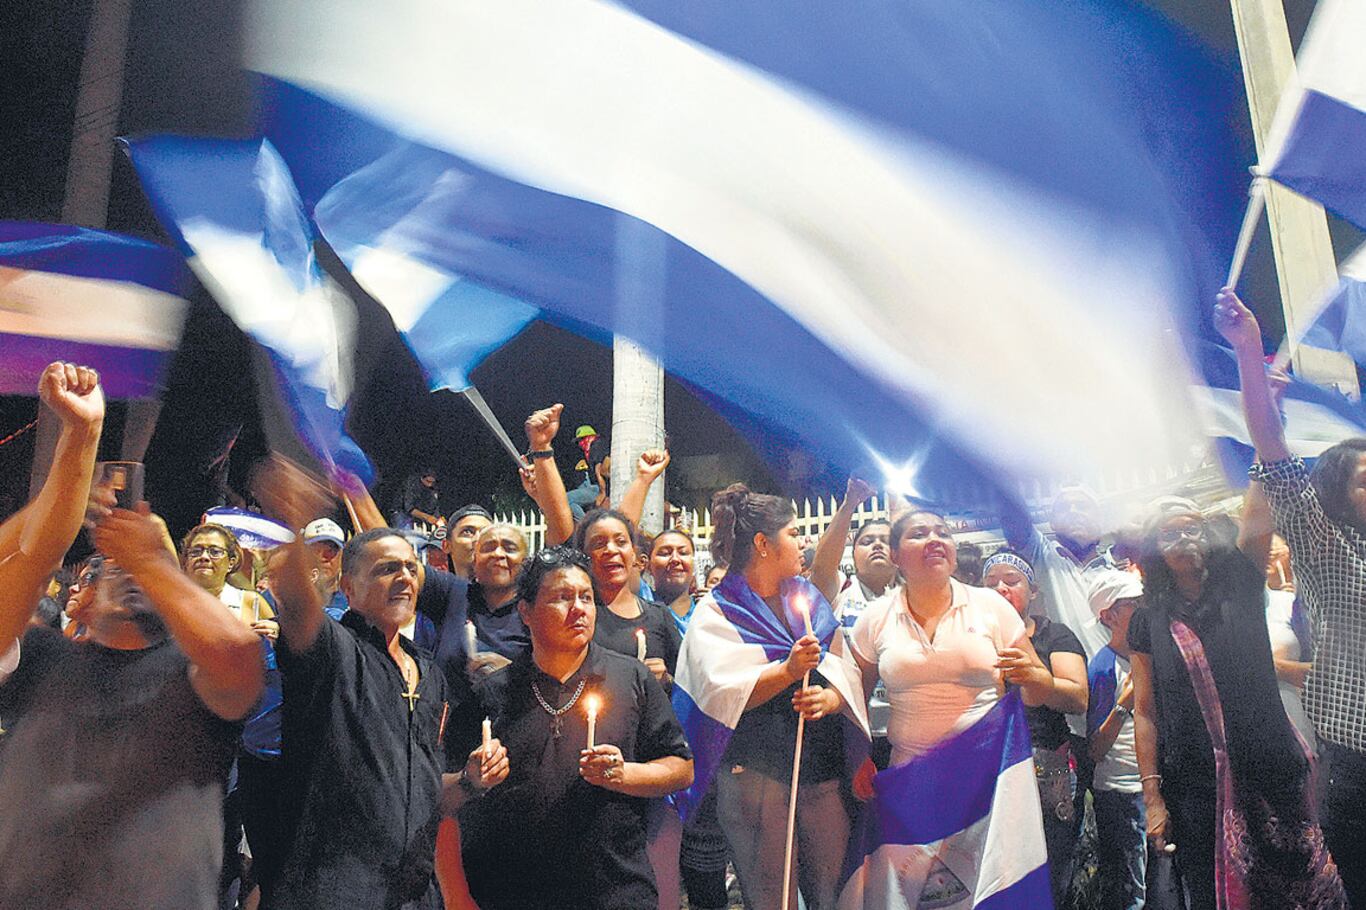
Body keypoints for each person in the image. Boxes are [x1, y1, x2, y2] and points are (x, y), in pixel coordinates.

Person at [0, 361, 265, 910]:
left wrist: (152, 562)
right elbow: (27, 562)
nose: (124, 569)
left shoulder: (197, 679)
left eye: (152, 561)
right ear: (84, 593)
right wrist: (80, 441)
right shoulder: (43, 658)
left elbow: (239, 653)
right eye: (109, 564)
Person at [252, 459, 507, 910]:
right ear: (348, 589)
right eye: (387, 569)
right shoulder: (332, 651)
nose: (405, 578)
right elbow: (294, 602)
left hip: (414, 894)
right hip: (331, 894)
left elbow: (427, 795)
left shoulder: (427, 674)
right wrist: (292, 522)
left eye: (410, 568)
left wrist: (468, 781)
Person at [1216, 287, 1366, 905]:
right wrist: (1250, 354)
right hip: (1357, 769)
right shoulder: (1331, 554)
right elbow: (1277, 459)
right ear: (1338, 495)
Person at [1128, 499, 1345, 909]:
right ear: (1154, 549)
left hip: (1270, 771)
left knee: (1300, 889)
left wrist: (1258, 448)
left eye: (1193, 528)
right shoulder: (1147, 620)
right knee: (1215, 894)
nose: (1184, 540)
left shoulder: (1240, 588)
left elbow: (1258, 518)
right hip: (1196, 785)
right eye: (1169, 534)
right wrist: (1153, 798)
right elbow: (1145, 711)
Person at [459, 546, 694, 909]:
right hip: (514, 892)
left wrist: (623, 774)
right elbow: (447, 790)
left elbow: (681, 768)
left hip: (614, 887)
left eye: (586, 597)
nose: (579, 608)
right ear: (526, 612)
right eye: (562, 597)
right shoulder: (494, 693)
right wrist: (472, 778)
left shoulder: (631, 678)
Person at [846, 508, 1053, 905]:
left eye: (942, 532)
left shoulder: (991, 608)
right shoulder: (875, 618)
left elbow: (1037, 692)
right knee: (919, 894)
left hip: (985, 780)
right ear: (895, 555)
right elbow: (854, 694)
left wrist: (1032, 675)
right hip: (911, 781)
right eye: (918, 534)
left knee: (987, 885)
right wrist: (857, 756)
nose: (934, 539)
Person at [681, 483, 868, 910]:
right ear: (763, 544)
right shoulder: (717, 611)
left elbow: (843, 670)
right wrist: (786, 671)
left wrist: (832, 701)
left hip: (820, 771)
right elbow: (718, 695)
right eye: (793, 533)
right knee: (771, 898)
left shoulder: (806, 599)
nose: (802, 542)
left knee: (834, 895)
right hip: (754, 775)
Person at [981, 548, 1087, 905]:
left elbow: (1077, 698)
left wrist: (1037, 680)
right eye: (990, 583)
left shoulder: (1054, 635)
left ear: (1033, 590)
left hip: (1045, 768)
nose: (1000, 589)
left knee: (1050, 867)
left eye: (1011, 581)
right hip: (987, 769)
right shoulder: (969, 638)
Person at [646, 529, 729, 910]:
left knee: (705, 878)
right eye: (664, 552)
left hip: (706, 763)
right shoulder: (636, 611)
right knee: (658, 878)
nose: (675, 558)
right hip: (654, 764)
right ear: (648, 563)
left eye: (683, 551)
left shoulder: (716, 616)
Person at [810, 477, 896, 767]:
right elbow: (821, 567)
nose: (877, 547)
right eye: (867, 541)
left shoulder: (910, 596)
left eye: (886, 542)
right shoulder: (841, 590)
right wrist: (849, 506)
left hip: (899, 733)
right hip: (845, 727)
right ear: (853, 552)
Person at [1086, 570, 1147, 910]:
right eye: (1132, 603)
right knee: (1130, 890)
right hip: (1121, 792)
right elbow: (1094, 748)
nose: (1142, 607)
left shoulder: (1144, 656)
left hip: (1147, 786)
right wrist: (1124, 704)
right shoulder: (1104, 668)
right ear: (1108, 615)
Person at [572, 508, 681, 686]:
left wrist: (666, 679)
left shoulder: (658, 616)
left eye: (621, 542)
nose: (611, 550)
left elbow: (689, 686)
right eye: (599, 544)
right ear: (584, 556)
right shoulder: (577, 615)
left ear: (633, 553)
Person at [182, 522, 276, 637]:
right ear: (186, 561)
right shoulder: (169, 602)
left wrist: (277, 634)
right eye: (196, 551)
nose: (204, 557)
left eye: (215, 552)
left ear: (231, 563)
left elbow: (281, 647)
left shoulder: (252, 602)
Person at [468, 523, 532, 664]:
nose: (498, 554)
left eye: (509, 549)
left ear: (526, 561)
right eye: (488, 548)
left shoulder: (536, 610)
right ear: (474, 560)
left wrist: (509, 672)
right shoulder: (457, 597)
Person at [300, 518, 347, 619]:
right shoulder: (282, 596)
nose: (322, 558)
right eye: (315, 551)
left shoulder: (353, 600)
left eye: (330, 551)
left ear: (342, 555)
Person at [444, 505, 493, 581]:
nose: (478, 539)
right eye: (467, 532)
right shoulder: (437, 591)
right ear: (447, 545)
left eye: (485, 532)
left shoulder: (511, 591)